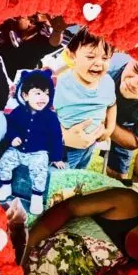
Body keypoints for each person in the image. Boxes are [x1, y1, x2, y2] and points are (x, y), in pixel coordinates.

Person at [0, 70, 64, 215]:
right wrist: (12, 137)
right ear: (25, 95)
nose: (43, 98)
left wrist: (57, 157)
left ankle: (37, 196)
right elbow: (9, 126)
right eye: (38, 93)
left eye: (47, 94)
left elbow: (56, 137)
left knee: (40, 170)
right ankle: (6, 186)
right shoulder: (18, 112)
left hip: (38, 152)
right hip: (18, 150)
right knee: (5, 161)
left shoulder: (51, 117)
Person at [53, 27, 117, 169]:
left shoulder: (107, 82)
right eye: (90, 57)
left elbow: (112, 105)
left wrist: (109, 129)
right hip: (63, 147)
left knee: (79, 175)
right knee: (58, 178)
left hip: (89, 145)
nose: (99, 63)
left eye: (105, 58)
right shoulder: (62, 83)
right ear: (71, 55)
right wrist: (62, 136)